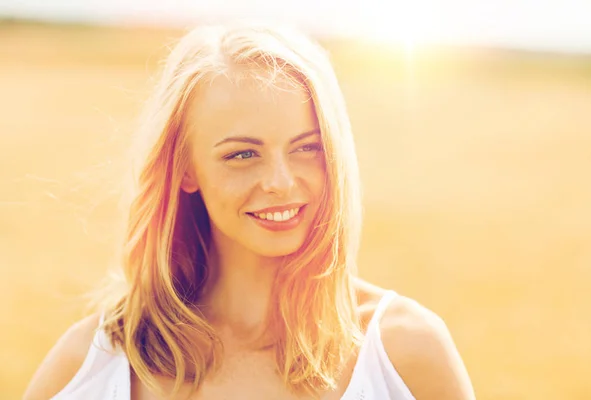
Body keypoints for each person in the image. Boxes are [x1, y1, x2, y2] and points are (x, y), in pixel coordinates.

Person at [24, 23, 475, 400]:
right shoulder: (93, 363)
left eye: (307, 148)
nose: (280, 181)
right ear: (185, 170)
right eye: (242, 155)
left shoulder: (407, 353)